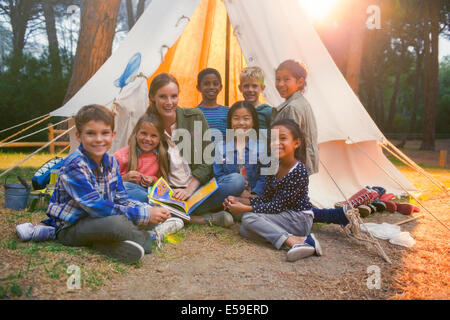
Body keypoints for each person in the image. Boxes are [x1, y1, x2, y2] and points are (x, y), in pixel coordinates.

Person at [42, 104, 183, 263]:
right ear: (79, 136)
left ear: (113, 135)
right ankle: (151, 237)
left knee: (133, 215)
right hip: (72, 226)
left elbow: (122, 199)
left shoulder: (111, 163)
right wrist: (144, 215)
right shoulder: (75, 165)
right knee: (117, 223)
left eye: (105, 133)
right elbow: (96, 206)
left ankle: (107, 246)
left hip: (100, 220)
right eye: (90, 134)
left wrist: (148, 210)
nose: (99, 139)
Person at [224, 119, 359, 262]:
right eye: (273, 139)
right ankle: (298, 239)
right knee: (245, 230)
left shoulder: (298, 171)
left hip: (299, 219)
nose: (277, 143)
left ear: (296, 143)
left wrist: (246, 208)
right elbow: (267, 199)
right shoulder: (272, 165)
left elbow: (277, 206)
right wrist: (239, 200)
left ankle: (295, 242)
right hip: (283, 216)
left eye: (283, 138)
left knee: (249, 218)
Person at [146, 73, 244, 227]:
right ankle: (198, 218)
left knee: (237, 181)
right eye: (163, 97)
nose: (169, 102)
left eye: (173, 96)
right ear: (152, 97)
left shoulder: (194, 117)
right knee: (131, 189)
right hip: (167, 193)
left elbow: (208, 160)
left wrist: (189, 190)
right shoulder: (148, 124)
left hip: (196, 189)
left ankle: (174, 212)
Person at [212, 101, 267, 224]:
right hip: (230, 195)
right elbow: (218, 176)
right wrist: (234, 192)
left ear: (253, 122)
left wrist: (254, 195)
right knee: (236, 180)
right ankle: (228, 208)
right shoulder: (222, 147)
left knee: (246, 217)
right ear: (230, 122)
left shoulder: (261, 147)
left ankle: (238, 211)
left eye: (246, 119)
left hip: (252, 198)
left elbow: (264, 177)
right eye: (236, 118)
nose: (241, 123)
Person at [272, 60, 318, 175]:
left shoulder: (292, 108)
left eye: (286, 79)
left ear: (300, 82)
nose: (280, 84)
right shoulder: (302, 102)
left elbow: (289, 145)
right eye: (278, 79)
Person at [113, 113, 169, 203]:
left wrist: (152, 180)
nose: (147, 139)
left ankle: (152, 205)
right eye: (143, 133)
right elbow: (107, 181)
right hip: (128, 193)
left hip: (147, 193)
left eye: (153, 136)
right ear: (136, 133)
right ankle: (153, 205)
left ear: (160, 138)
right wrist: (124, 178)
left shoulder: (160, 156)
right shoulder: (122, 155)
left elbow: (162, 182)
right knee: (126, 186)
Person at [196, 68, 229, 140]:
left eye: (215, 84)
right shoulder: (193, 113)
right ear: (198, 87)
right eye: (206, 84)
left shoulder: (228, 112)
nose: (211, 87)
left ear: (220, 87)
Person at [238, 66, 273, 131]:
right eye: (246, 86)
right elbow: (230, 137)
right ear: (240, 88)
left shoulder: (268, 112)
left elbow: (275, 139)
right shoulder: (236, 111)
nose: (250, 90)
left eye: (254, 86)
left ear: (262, 88)